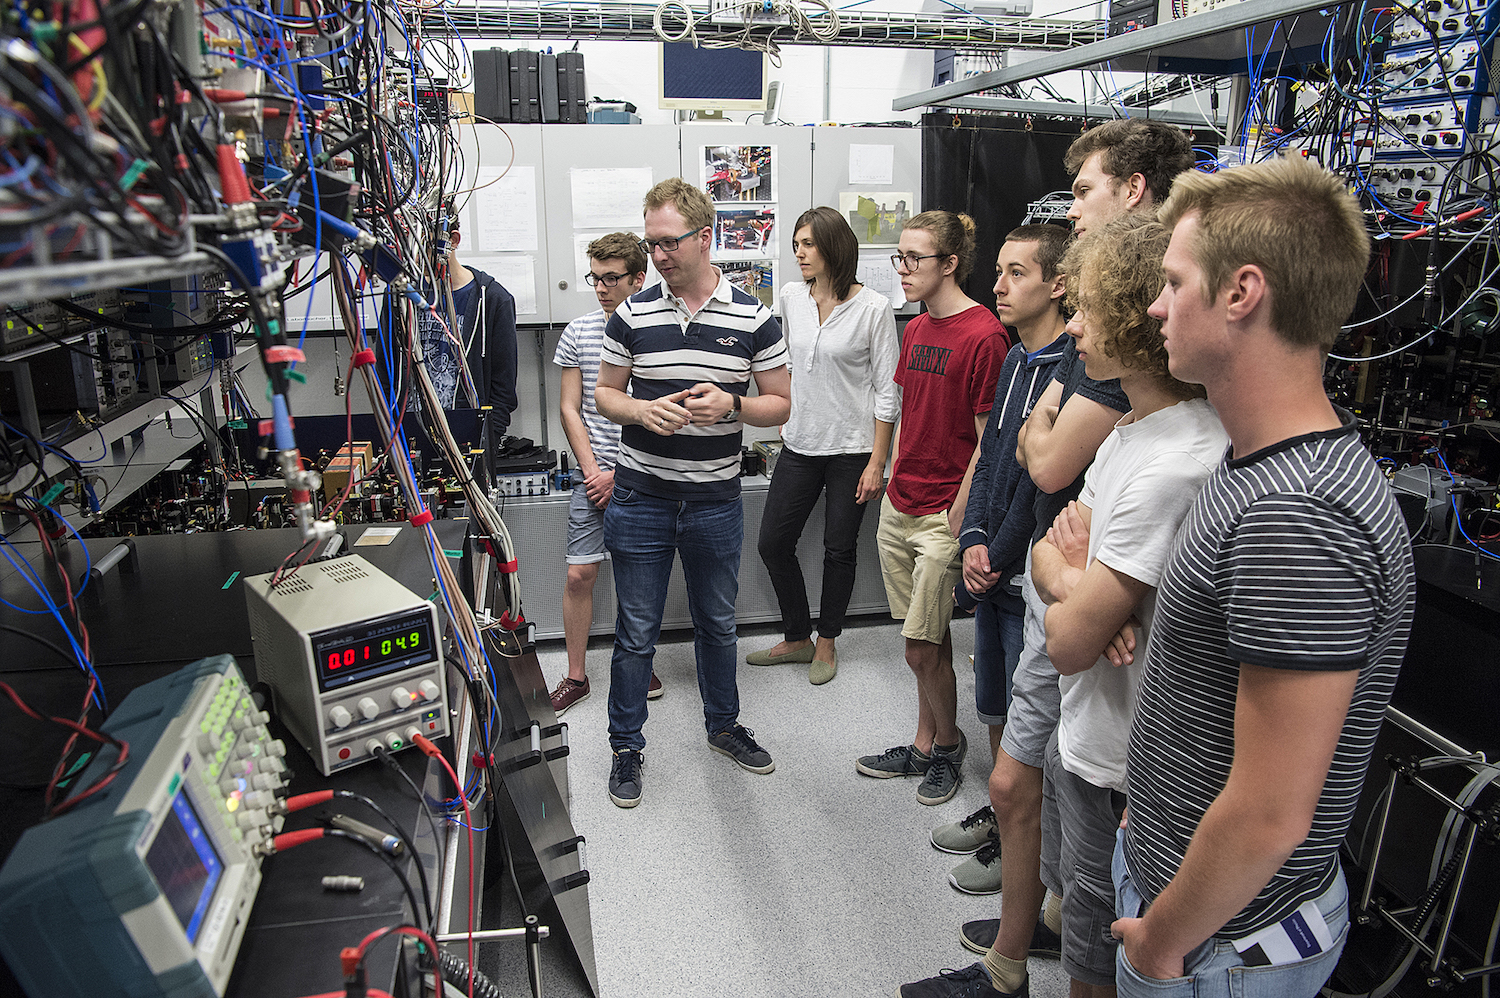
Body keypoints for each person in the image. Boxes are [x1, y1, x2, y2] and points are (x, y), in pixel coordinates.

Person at [902, 119, 1192, 998]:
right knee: (1033, 782)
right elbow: (1034, 478)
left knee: (1078, 822)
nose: (1075, 205)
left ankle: (1028, 953)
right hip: (1044, 592)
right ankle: (1027, 937)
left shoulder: (1172, 436)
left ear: (1133, 190)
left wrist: (1081, 590)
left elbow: (1053, 468)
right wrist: (1060, 574)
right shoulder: (1110, 402)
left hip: (1090, 659)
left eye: (1086, 189)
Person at [1111, 157, 1414, 998]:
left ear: (1242, 292)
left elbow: (1271, 815)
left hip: (1217, 944)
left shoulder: (1298, 512)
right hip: (1187, 898)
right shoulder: (1257, 468)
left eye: (1173, 283)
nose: (1154, 307)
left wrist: (1159, 945)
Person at [1031, 214, 1227, 998]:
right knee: (1079, 917)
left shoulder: (1179, 459)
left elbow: (1072, 646)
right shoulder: (1130, 431)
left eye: (1086, 308)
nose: (1072, 323)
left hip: (1121, 759)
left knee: (1094, 953)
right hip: (1088, 731)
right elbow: (1053, 543)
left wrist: (1078, 599)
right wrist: (1076, 584)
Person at [593, 178, 791, 809]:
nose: (657, 256)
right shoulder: (632, 314)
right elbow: (605, 393)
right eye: (651, 244)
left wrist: (733, 404)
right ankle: (626, 746)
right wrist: (639, 414)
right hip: (641, 499)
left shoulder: (754, 318)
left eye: (667, 243)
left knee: (717, 624)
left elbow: (781, 404)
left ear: (705, 238)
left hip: (714, 503)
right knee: (636, 631)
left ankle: (723, 726)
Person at [929, 223, 1070, 893]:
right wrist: (971, 539)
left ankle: (1028, 863)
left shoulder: (1073, 369)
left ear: (1058, 283)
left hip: (1022, 576)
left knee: (1028, 722)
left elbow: (1038, 482)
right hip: (990, 568)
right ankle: (1002, 818)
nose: (998, 285)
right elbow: (989, 466)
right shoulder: (1016, 361)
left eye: (1017, 273)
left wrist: (996, 550)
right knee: (994, 708)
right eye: (1001, 270)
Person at [855, 210, 1007, 808]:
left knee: (920, 647)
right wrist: (887, 475)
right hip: (902, 500)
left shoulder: (984, 335)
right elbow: (906, 411)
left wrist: (960, 512)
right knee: (927, 642)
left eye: (915, 259)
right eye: (900, 257)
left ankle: (948, 744)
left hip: (945, 512)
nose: (903, 269)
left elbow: (987, 437)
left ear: (949, 264)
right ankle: (924, 742)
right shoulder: (917, 329)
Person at [747, 207, 898, 685]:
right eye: (796, 244)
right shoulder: (791, 296)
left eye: (808, 244)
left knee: (839, 549)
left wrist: (878, 461)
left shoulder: (873, 308)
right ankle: (797, 636)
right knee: (773, 542)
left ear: (834, 247)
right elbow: (787, 367)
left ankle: (827, 641)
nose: (798, 253)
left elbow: (887, 391)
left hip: (853, 451)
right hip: (799, 444)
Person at [548, 232, 662, 716]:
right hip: (591, 475)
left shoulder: (659, 332)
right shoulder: (579, 332)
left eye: (611, 278)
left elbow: (661, 412)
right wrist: (593, 469)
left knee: (639, 577)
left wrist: (621, 472)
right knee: (580, 574)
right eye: (595, 278)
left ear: (640, 277)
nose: (600, 288)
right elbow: (570, 409)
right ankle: (576, 676)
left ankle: (637, 662)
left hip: (644, 474)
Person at [379, 216, 519, 469]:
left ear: (452, 241)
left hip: (466, 438)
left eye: (422, 247)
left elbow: (503, 386)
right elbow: (384, 371)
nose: (414, 259)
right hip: (407, 435)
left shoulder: (493, 299)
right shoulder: (397, 298)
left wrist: (487, 442)